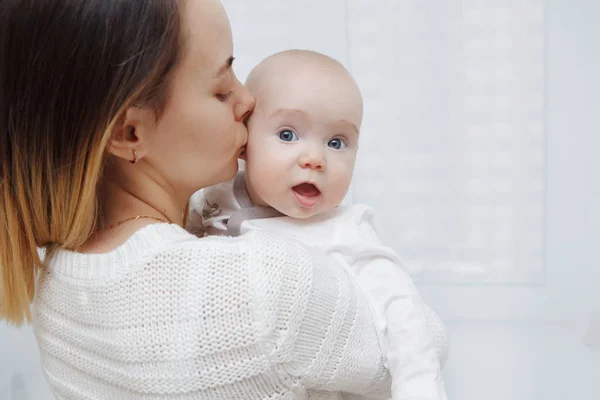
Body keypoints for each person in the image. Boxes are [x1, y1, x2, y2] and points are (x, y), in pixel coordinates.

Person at [0, 0, 395, 398]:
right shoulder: (265, 283)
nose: (248, 101)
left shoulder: (53, 287)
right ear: (130, 133)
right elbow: (413, 351)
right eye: (222, 90)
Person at [187, 50, 448, 400]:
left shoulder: (347, 232)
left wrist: (418, 389)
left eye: (337, 142)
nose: (315, 159)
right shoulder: (209, 198)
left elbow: (404, 313)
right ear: (245, 140)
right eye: (288, 135)